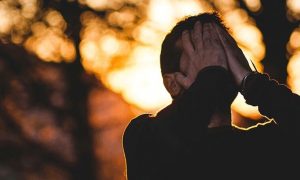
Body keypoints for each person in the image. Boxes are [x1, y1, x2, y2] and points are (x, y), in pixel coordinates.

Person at [123, 12, 300, 179]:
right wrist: (211, 75)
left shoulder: (265, 147)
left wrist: (252, 82)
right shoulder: (145, 136)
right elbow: (168, 141)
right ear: (173, 84)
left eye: (224, 50)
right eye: (202, 53)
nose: (218, 59)